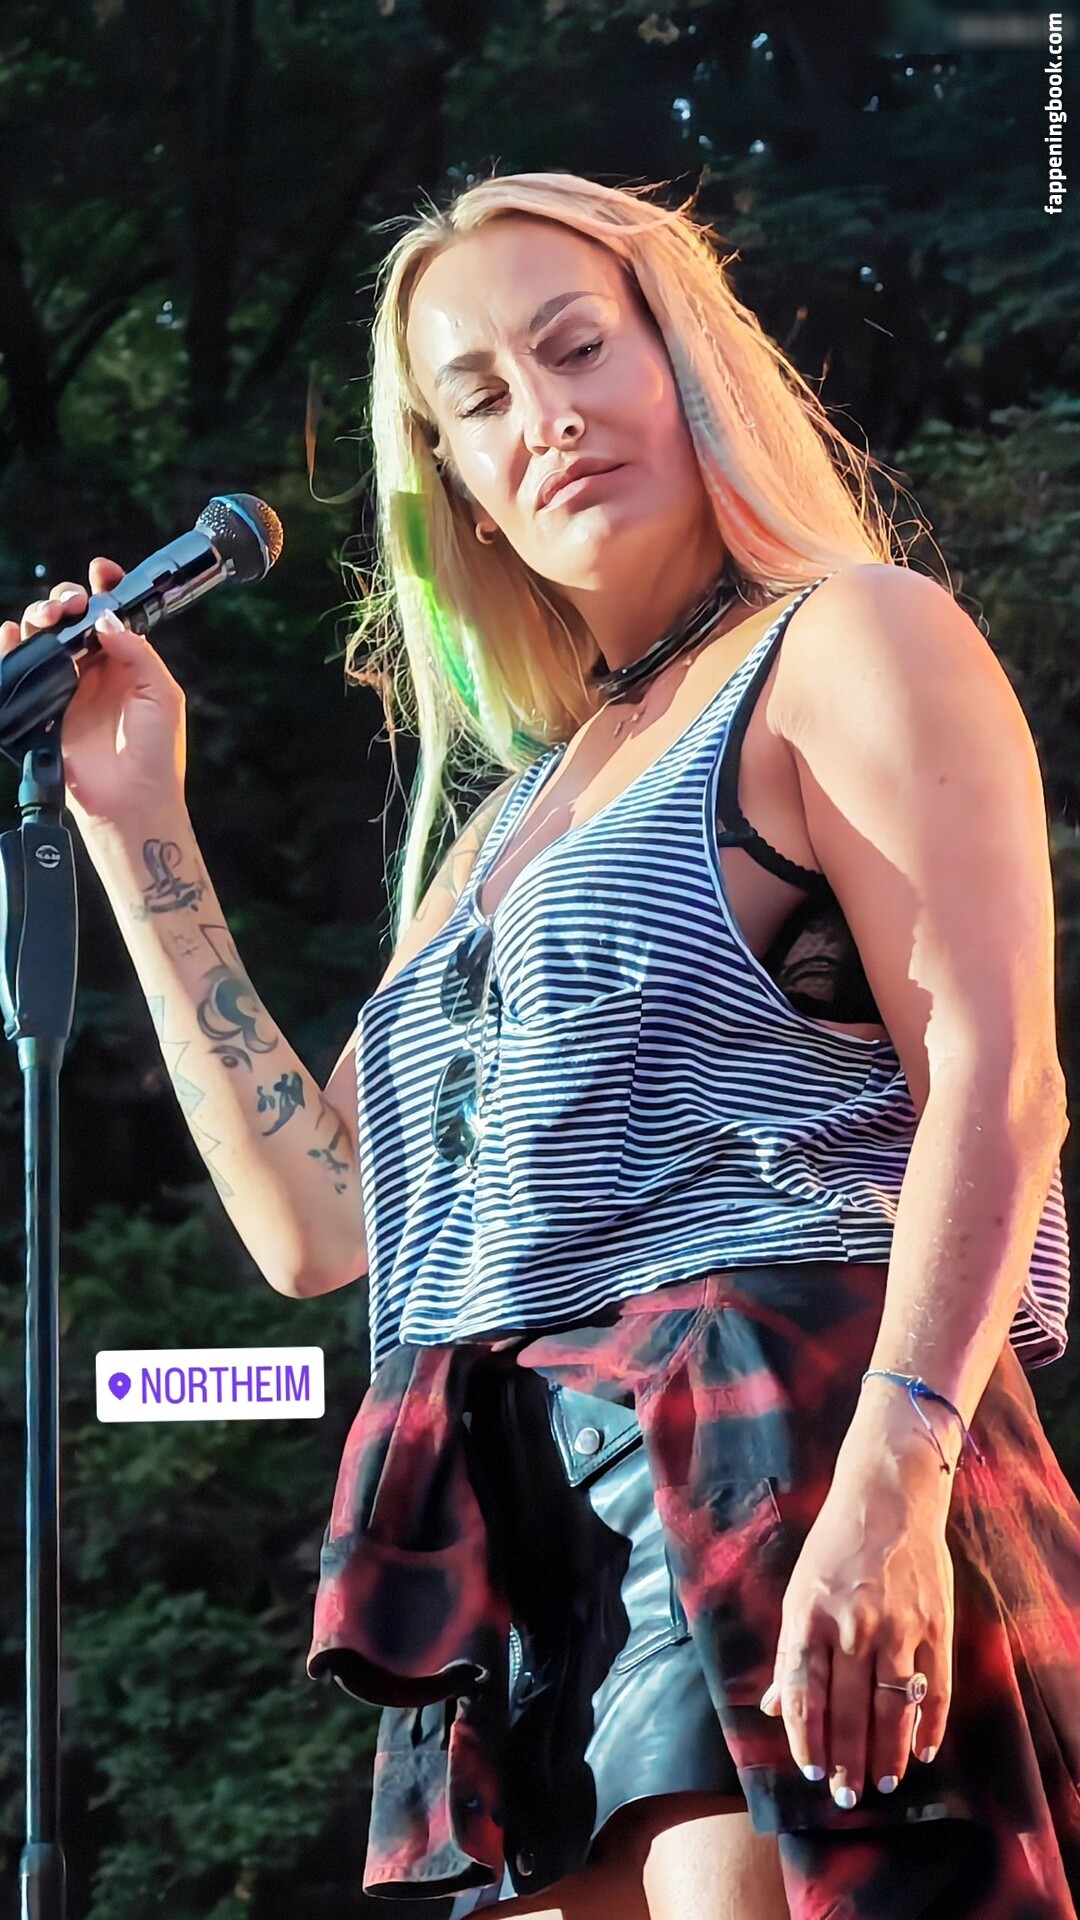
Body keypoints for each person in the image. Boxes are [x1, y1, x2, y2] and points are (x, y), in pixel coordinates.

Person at [5, 172, 1079, 1920]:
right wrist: (139, 828)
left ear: (687, 362)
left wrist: (895, 1470)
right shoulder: (502, 833)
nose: (548, 416)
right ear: (459, 489)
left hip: (775, 1439)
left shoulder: (848, 638)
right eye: (481, 398)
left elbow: (998, 1075)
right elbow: (319, 1224)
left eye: (578, 348)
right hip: (513, 1526)